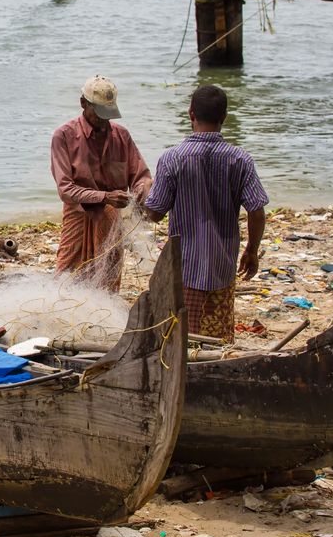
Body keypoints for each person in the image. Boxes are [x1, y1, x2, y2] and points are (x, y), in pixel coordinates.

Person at [144, 85, 269, 343]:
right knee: (218, 336)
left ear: (191, 114)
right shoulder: (239, 159)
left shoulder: (172, 158)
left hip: (184, 266)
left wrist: (142, 194)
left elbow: (154, 214)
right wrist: (251, 250)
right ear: (224, 117)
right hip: (222, 263)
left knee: (182, 335)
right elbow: (256, 211)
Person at [51, 75, 152, 292]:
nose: (103, 120)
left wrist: (141, 192)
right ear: (83, 104)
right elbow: (65, 189)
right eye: (98, 113)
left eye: (107, 114)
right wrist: (105, 197)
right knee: (67, 275)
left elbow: (141, 175)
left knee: (109, 276)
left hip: (111, 219)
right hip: (78, 215)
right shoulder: (64, 136)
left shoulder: (121, 136)